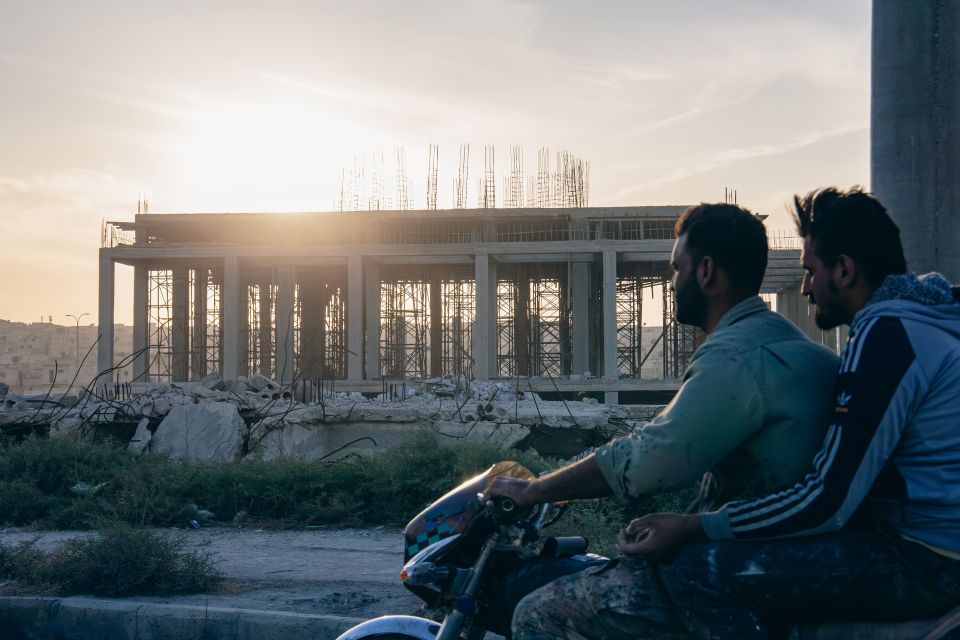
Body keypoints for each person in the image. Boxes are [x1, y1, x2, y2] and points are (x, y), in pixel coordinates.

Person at [486, 202, 840, 640]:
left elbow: (650, 459)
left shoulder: (735, 357)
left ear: (706, 272)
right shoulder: (804, 349)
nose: (672, 283)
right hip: (783, 558)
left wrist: (535, 490)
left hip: (747, 569)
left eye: (676, 269)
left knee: (539, 611)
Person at [623, 187, 960, 639]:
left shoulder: (887, 334)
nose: (804, 287)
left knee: (697, 570)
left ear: (843, 270)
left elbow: (827, 500)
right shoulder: (930, 320)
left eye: (809, 271)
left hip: (925, 558)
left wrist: (696, 526)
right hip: (934, 544)